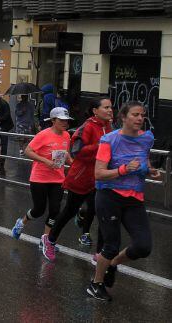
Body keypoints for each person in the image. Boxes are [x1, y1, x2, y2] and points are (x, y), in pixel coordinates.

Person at [86, 101, 161, 301]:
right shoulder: (108, 140)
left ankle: (112, 264)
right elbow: (98, 174)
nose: (140, 118)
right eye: (135, 114)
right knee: (111, 245)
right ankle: (96, 284)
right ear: (123, 117)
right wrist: (123, 169)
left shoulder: (146, 138)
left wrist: (149, 169)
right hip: (109, 197)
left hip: (134, 198)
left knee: (143, 246)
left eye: (142, 115)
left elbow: (143, 159)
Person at [43, 97, 113, 261]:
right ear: (95, 111)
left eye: (111, 107)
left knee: (103, 213)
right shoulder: (87, 127)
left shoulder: (109, 126)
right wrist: (101, 146)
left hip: (101, 178)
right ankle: (50, 240)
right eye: (106, 107)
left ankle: (101, 254)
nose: (110, 110)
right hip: (82, 177)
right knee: (69, 211)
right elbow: (76, 152)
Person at [11, 107, 72, 243]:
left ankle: (46, 240)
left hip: (58, 178)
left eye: (66, 120)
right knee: (39, 210)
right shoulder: (43, 135)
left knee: (55, 210)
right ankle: (21, 223)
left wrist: (73, 164)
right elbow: (28, 151)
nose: (65, 123)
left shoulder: (67, 136)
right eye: (61, 120)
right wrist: (46, 161)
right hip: (40, 178)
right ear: (53, 120)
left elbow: (66, 154)